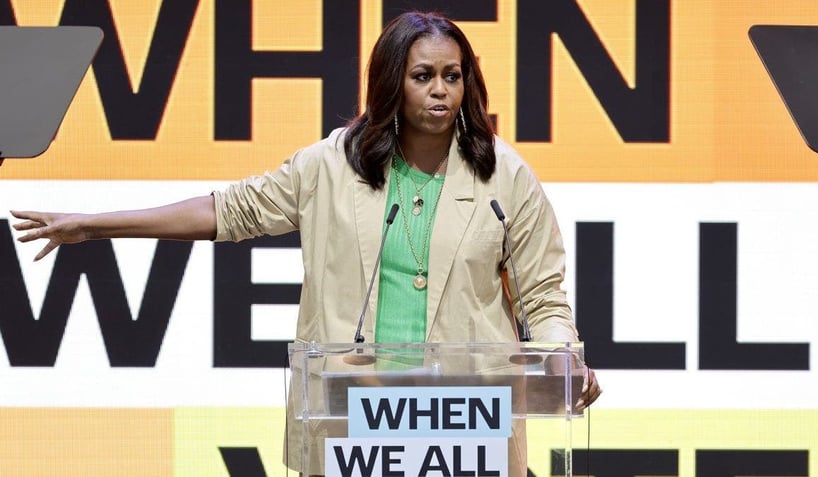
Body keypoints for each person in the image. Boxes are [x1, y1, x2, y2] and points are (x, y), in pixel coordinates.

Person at [12, 11, 600, 475]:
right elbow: (227, 211)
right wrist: (95, 225)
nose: (440, 91)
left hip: (467, 422)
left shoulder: (504, 175)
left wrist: (562, 361)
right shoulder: (331, 165)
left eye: (453, 75)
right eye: (423, 76)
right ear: (392, 80)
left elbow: (543, 297)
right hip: (359, 422)